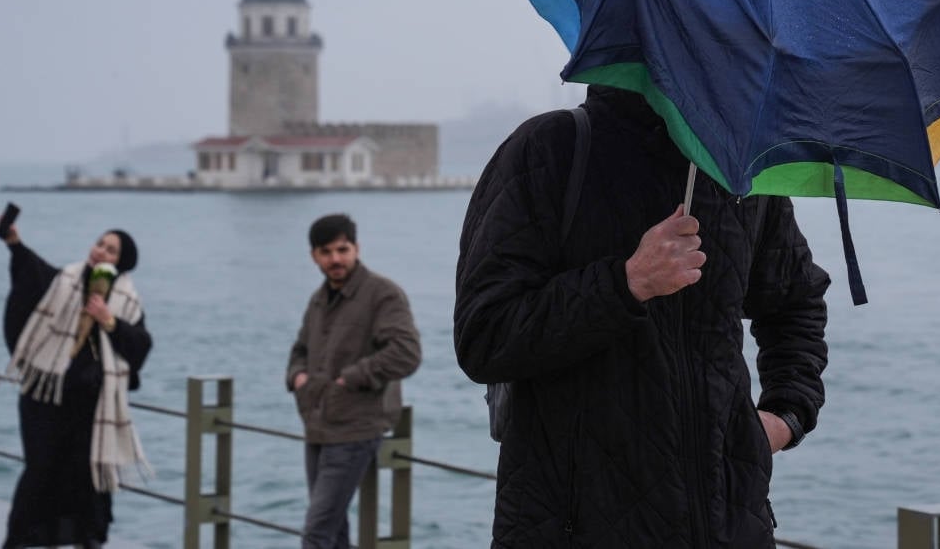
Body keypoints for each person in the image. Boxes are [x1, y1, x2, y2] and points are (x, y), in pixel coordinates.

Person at [454, 85, 831, 548]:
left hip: (730, 526)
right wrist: (626, 283)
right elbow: (484, 336)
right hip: (574, 527)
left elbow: (797, 301)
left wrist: (785, 415)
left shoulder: (739, 170)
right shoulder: (550, 148)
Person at [0, 217, 152, 549]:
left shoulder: (126, 301)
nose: (101, 252)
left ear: (121, 263)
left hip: (90, 406)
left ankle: (88, 539)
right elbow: (30, 273)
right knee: (39, 471)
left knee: (86, 476)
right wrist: (13, 243)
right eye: (100, 244)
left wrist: (109, 321)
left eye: (111, 250)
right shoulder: (64, 280)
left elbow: (140, 346)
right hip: (44, 397)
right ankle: (18, 540)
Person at [286, 214, 422, 549]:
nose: (335, 259)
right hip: (317, 423)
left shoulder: (382, 294)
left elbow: (407, 352)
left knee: (316, 533)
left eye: (342, 250)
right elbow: (300, 349)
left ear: (356, 248)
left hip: (356, 428)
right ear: (314, 256)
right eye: (326, 252)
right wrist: (297, 377)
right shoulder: (319, 300)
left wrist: (350, 379)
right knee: (333, 533)